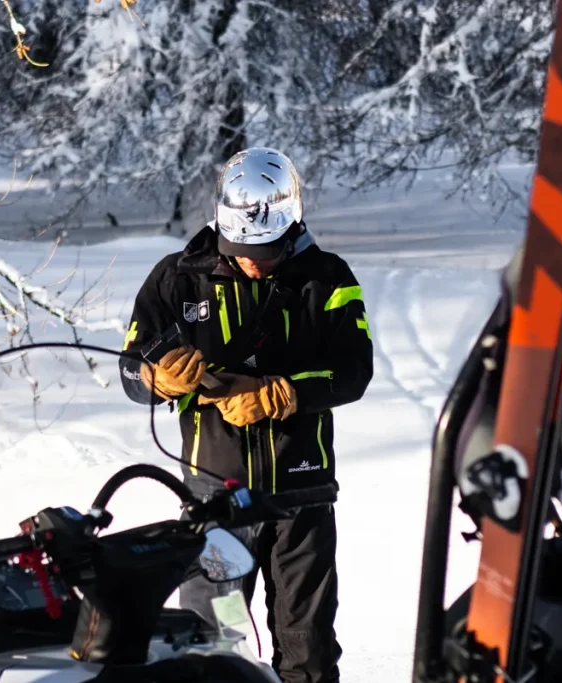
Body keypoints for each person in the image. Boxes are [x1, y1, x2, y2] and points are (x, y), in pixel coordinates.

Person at [119, 147, 374, 683]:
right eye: (241, 248)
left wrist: (283, 392)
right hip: (214, 501)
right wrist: (154, 376)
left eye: (269, 248)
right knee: (208, 648)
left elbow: (355, 370)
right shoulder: (177, 280)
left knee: (309, 650)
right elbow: (129, 366)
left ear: (293, 225)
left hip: (301, 497)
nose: (254, 259)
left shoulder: (327, 279)